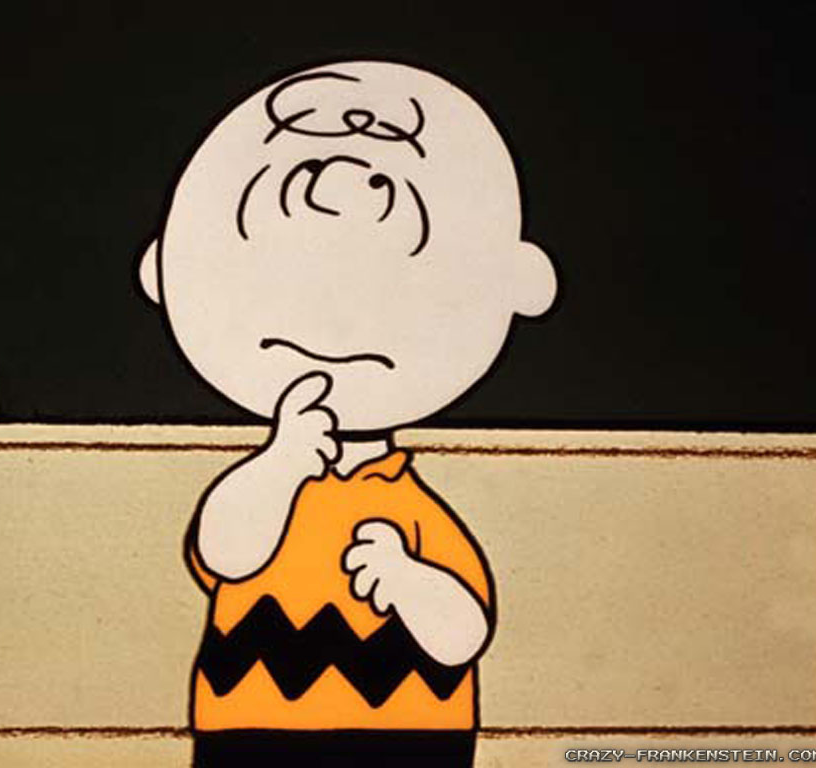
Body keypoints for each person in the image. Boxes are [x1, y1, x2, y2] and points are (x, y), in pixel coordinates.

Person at [137, 59, 557, 768]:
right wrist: (279, 465)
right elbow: (224, 553)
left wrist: (407, 579)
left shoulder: (408, 509)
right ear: (167, 270)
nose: (330, 326)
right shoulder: (267, 483)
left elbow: (462, 636)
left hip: (409, 739)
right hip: (246, 728)